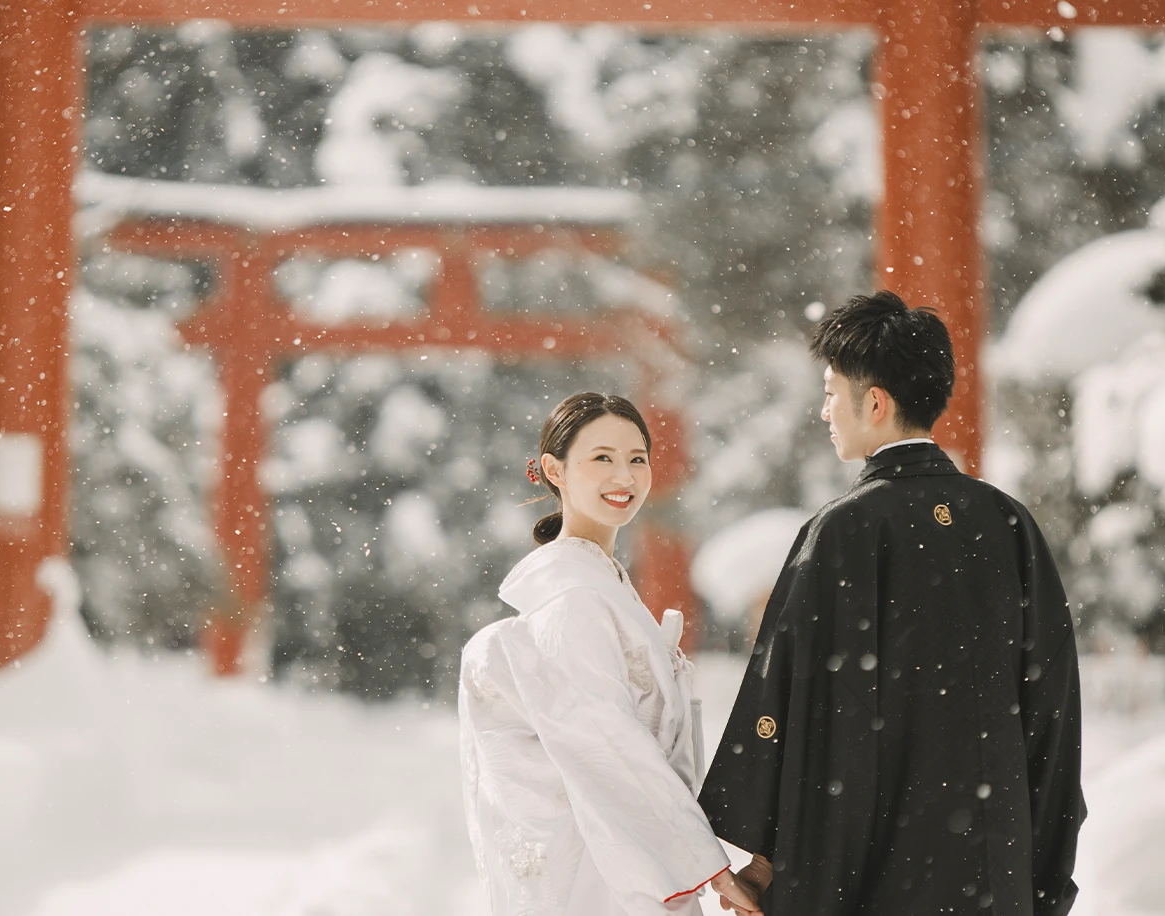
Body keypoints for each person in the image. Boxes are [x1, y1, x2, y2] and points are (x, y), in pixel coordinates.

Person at [701, 291, 1085, 916]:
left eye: (831, 393)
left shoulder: (845, 530)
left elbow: (790, 696)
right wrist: (1042, 864)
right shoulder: (1007, 522)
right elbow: (1052, 707)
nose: (825, 411)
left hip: (875, 867)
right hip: (994, 862)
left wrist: (766, 854)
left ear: (873, 402)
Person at [459, 392, 759, 916]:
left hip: (628, 854)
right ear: (554, 469)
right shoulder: (572, 599)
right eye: (602, 458)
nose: (624, 475)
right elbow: (605, 743)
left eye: (636, 458)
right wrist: (704, 863)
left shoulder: (602, 588)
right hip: (602, 867)